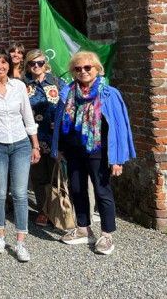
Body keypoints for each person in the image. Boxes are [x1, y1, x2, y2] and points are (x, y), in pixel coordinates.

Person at [52, 51, 135, 255]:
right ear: (73, 71)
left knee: (102, 192)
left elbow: (119, 127)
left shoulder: (108, 93)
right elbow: (61, 122)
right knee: (77, 188)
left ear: (97, 69)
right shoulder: (67, 93)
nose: (83, 72)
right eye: (78, 68)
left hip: (99, 151)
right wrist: (59, 148)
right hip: (73, 150)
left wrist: (117, 160)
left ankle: (106, 234)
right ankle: (83, 229)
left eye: (87, 67)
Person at [0, 47, 40, 262]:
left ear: (8, 65)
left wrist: (35, 145)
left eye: (4, 63)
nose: (0, 66)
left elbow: (28, 116)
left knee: (20, 194)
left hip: (20, 143)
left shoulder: (19, 86)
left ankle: (21, 241)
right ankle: (1, 235)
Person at [23, 49, 66, 226]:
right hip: (33, 138)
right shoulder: (22, 85)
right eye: (32, 63)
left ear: (45, 64)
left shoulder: (57, 82)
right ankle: (43, 209)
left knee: (56, 176)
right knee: (39, 177)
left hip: (55, 138)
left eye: (39, 63)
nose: (36, 66)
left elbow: (68, 106)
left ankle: (57, 210)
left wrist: (62, 123)